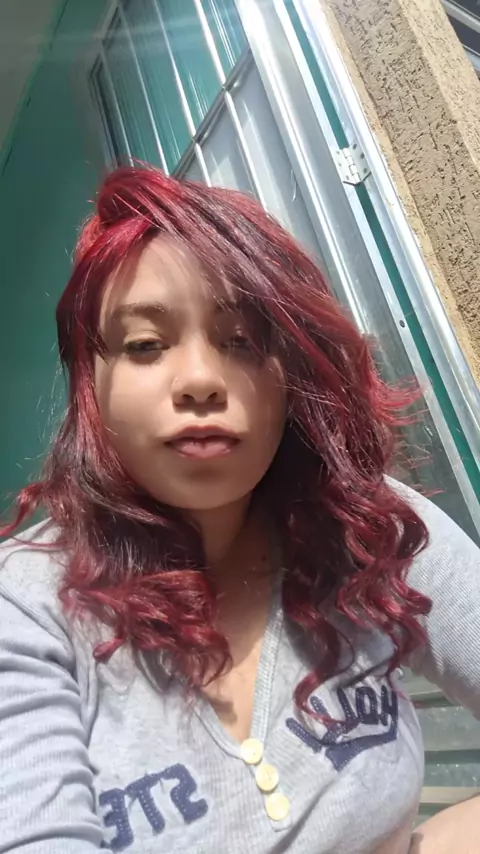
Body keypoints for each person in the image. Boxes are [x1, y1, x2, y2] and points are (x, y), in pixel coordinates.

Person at [0, 163, 479, 854]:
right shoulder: (24, 606)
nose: (200, 380)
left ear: (292, 378)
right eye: (145, 345)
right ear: (92, 389)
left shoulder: (370, 526)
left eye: (243, 341)